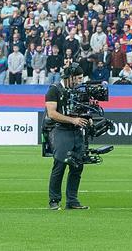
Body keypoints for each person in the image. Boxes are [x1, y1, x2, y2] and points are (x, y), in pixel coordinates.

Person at [45, 65, 92, 210]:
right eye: (77, 78)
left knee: (77, 165)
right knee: (60, 164)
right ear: (69, 77)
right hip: (59, 129)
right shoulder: (54, 90)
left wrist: (87, 118)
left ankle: (72, 200)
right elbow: (52, 113)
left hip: (76, 130)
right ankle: (54, 199)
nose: (80, 81)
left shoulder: (78, 91)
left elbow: (84, 109)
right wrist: (72, 120)